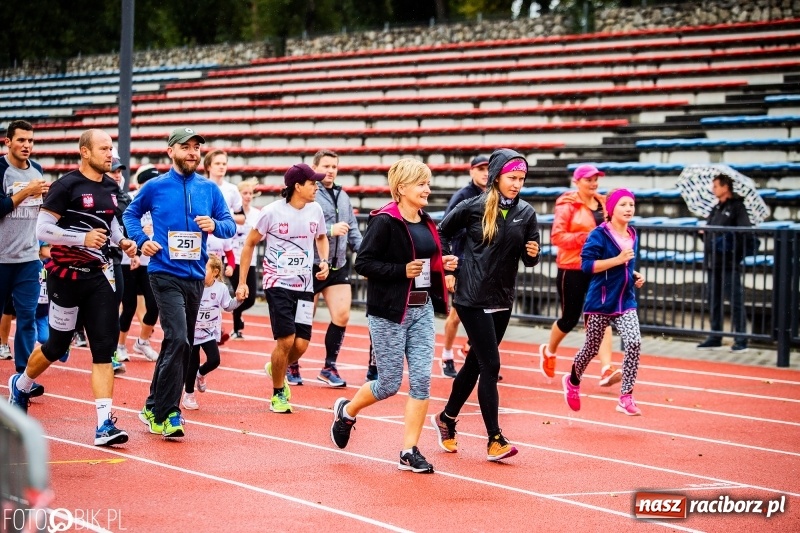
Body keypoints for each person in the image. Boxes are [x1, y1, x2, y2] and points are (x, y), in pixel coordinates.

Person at [8, 129, 137, 448]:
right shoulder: (66, 186)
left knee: (103, 349)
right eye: (104, 149)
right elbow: (43, 230)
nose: (111, 154)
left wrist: (121, 240)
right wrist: (81, 238)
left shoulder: (111, 186)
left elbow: (111, 221)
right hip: (64, 277)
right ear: (84, 152)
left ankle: (104, 424)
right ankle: (21, 385)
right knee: (56, 345)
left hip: (97, 277)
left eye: (112, 148)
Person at [329, 158, 457, 474]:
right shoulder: (385, 221)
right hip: (389, 312)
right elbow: (363, 264)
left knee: (422, 381)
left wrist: (445, 264)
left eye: (428, 183)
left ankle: (408, 450)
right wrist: (401, 271)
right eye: (421, 184)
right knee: (388, 384)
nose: (428, 189)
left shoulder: (428, 221)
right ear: (402, 188)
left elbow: (427, 263)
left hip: (422, 308)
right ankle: (347, 411)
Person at [123, 127, 236, 439]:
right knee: (181, 339)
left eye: (196, 148)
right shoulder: (155, 187)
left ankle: (150, 404)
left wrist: (215, 224)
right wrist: (142, 240)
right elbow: (130, 215)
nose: (193, 153)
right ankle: (168, 412)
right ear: (170, 151)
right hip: (163, 272)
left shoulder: (209, 189)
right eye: (186, 147)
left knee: (177, 343)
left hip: (196, 276)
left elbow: (228, 226)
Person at [431, 149, 540, 463]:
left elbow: (532, 258)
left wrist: (533, 253)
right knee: (491, 366)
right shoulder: (472, 207)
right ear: (496, 177)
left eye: (521, 179)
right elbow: (439, 234)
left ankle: (447, 418)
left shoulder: (527, 213)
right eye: (512, 178)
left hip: (502, 299)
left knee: (476, 364)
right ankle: (494, 438)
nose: (517, 184)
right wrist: (447, 264)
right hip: (471, 297)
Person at [236, 164, 329, 414]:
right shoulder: (271, 212)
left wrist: (324, 260)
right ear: (297, 186)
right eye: (312, 182)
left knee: (301, 345)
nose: (317, 186)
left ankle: (276, 367)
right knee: (286, 339)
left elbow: (321, 236)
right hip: (277, 283)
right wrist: (243, 281)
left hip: (305, 285)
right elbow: (249, 244)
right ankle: (278, 394)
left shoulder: (316, 209)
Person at [562, 189, 646, 416]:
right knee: (591, 348)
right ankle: (573, 380)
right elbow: (587, 265)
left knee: (634, 343)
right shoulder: (599, 234)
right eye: (623, 205)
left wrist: (635, 275)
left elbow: (626, 265)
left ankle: (626, 396)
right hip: (600, 301)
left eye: (631, 204)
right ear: (611, 209)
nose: (629, 208)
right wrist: (618, 260)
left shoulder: (632, 233)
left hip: (625, 300)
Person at [539, 164, 620, 387]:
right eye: (588, 180)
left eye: (596, 179)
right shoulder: (567, 205)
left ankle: (606, 368)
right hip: (572, 267)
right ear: (577, 182)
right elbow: (557, 237)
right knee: (569, 319)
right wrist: (587, 238)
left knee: (601, 315)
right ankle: (550, 350)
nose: (593, 183)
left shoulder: (604, 204)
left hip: (598, 267)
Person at [299, 149, 362, 388]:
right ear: (315, 167)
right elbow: (302, 225)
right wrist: (329, 229)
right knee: (305, 319)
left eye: (334, 166)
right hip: (311, 266)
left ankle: (329, 366)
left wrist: (365, 253)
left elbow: (353, 228)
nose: (331, 171)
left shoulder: (342, 195)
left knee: (342, 315)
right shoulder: (308, 193)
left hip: (338, 266)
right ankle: (293, 364)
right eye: (326, 166)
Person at [0, 120, 49, 392]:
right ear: (8, 142)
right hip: (0, 258)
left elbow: (39, 211)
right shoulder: (1, 170)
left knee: (28, 317)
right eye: (21, 140)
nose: (27, 145)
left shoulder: (37, 170)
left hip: (29, 259)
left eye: (30, 140)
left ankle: (23, 378)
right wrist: (25, 193)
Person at [439, 155, 489, 378]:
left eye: (489, 169)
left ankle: (481, 358)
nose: (486, 173)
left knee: (486, 313)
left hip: (486, 266)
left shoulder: (496, 195)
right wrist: (449, 270)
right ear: (471, 172)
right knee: (457, 315)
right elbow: (446, 231)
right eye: (480, 169)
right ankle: (447, 355)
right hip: (462, 263)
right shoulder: (462, 197)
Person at [696, 172, 752, 353]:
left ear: (725, 187)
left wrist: (730, 247)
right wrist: (703, 232)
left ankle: (741, 339)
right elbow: (710, 233)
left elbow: (744, 231)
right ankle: (715, 336)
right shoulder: (716, 208)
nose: (713, 189)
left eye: (716, 186)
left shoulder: (737, 207)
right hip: (713, 262)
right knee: (714, 300)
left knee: (735, 300)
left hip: (729, 262)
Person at [182, 255, 242, 410]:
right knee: (192, 363)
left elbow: (228, 306)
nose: (200, 270)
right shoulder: (193, 285)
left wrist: (239, 300)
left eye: (205, 268)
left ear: (215, 272)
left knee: (215, 360)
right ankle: (188, 394)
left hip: (208, 332)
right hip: (192, 331)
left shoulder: (220, 288)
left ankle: (200, 374)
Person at [118, 165, 161, 362]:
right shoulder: (129, 198)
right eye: (148, 182)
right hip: (128, 260)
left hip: (150, 261)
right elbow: (120, 225)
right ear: (140, 183)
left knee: (154, 305)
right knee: (128, 306)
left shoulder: (160, 198)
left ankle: (142, 342)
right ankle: (119, 345)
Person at [230, 180, 261, 340]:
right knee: (239, 293)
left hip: (251, 260)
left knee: (251, 298)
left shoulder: (257, 214)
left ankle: (238, 313)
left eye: (250, 193)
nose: (248, 196)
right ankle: (236, 329)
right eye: (245, 193)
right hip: (234, 259)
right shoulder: (232, 214)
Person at [204, 149, 245, 225]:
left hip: (224, 235)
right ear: (208, 167)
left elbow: (242, 218)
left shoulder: (232, 189)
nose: (221, 167)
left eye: (224, 164)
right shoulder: (200, 188)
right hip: (204, 235)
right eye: (217, 163)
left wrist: (225, 217)